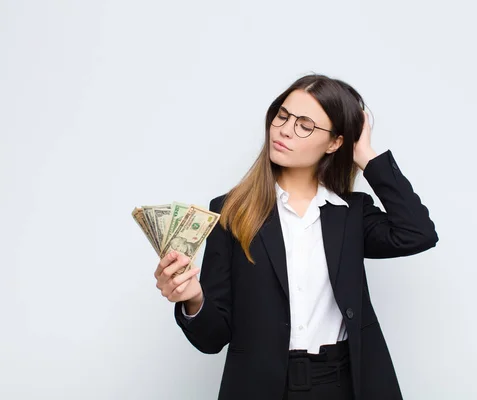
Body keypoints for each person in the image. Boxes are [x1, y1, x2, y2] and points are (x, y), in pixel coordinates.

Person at [154, 73, 439, 400]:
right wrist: (193, 299)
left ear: (335, 142)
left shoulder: (351, 213)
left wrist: (365, 155)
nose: (286, 130)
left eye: (305, 125)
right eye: (283, 116)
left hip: (345, 384)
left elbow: (417, 233)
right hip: (262, 387)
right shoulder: (231, 211)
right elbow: (212, 338)